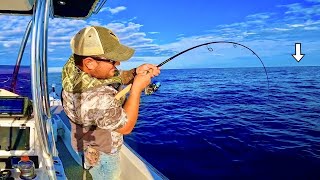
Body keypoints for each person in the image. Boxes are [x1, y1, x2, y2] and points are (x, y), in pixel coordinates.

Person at [61, 26, 160, 179]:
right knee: (110, 175)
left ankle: (88, 161)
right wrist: (136, 89)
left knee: (90, 166)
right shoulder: (96, 97)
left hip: (86, 139)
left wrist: (134, 73)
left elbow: (108, 76)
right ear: (90, 63)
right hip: (104, 151)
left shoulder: (74, 68)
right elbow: (126, 127)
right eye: (112, 60)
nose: (118, 63)